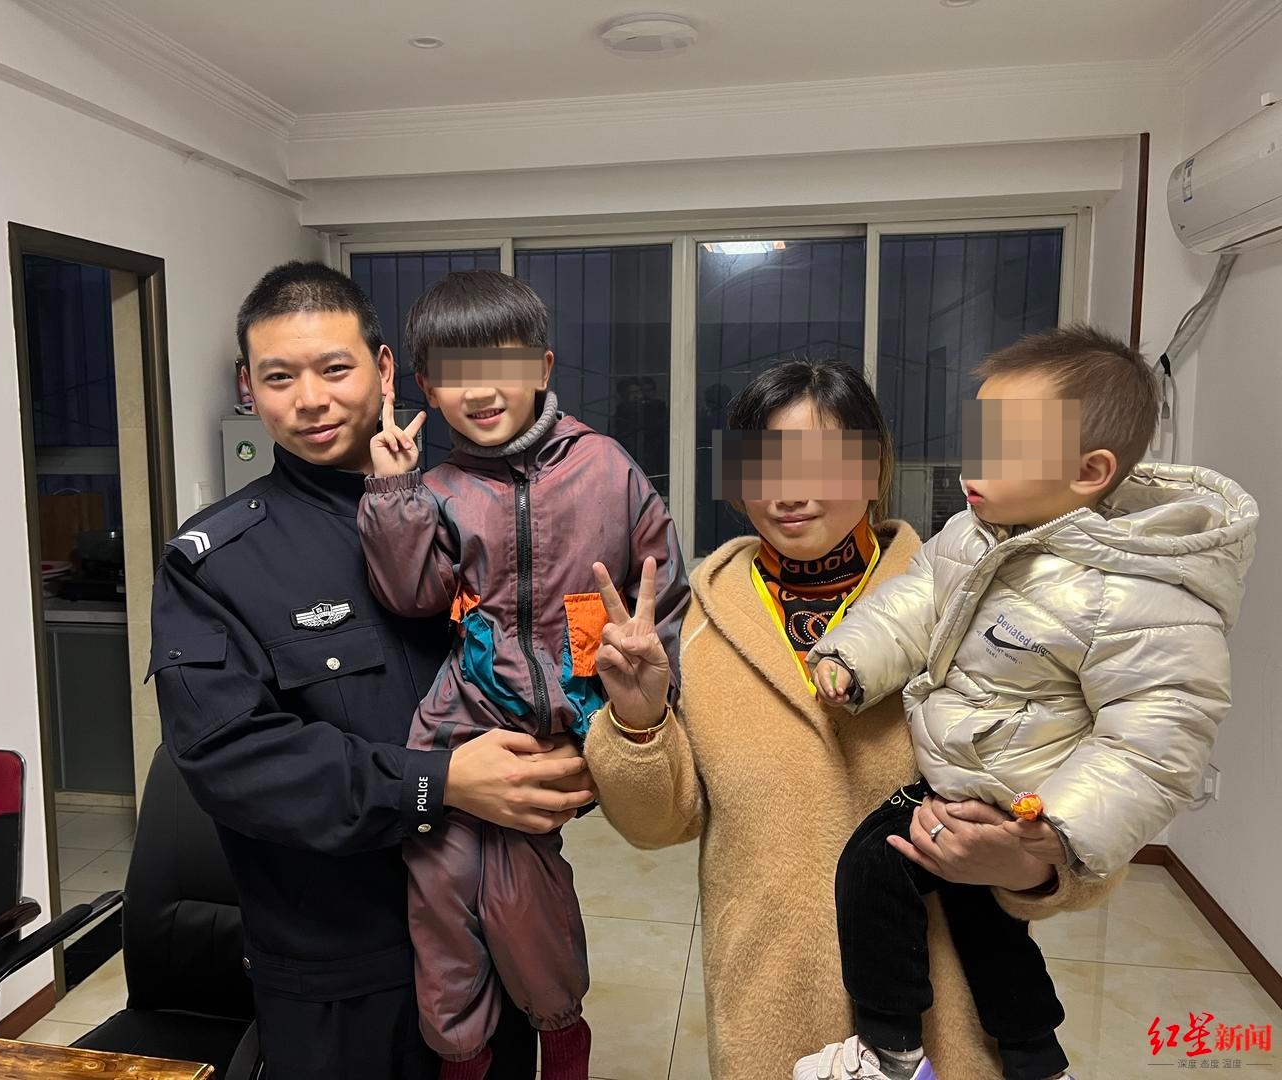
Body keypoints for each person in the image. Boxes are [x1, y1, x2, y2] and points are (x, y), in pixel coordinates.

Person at [584, 358, 1119, 1080]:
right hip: (770, 1010)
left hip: (948, 1026)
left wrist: (1032, 866)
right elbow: (660, 824)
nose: (789, 492)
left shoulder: (976, 604)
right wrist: (638, 716)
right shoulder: (705, 624)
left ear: (874, 469)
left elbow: (1100, 798)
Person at [148, 261, 596, 1079]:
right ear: (249, 386)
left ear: (384, 370)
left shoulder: (482, 511)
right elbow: (231, 759)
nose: (309, 400)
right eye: (279, 377)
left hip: (494, 935)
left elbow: (554, 654)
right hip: (342, 971)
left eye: (334, 368)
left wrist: (581, 750)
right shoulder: (217, 563)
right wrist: (438, 782)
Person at [801, 327, 1258, 1080]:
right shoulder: (973, 535)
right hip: (966, 774)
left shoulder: (1141, 591)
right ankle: (1038, 1059)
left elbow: (1154, 740)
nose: (972, 468)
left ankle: (887, 1051)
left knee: (874, 866)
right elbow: (914, 603)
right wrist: (851, 656)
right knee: (986, 925)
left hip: (1017, 800)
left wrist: (1056, 831)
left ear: (1089, 471)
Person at [357, 270, 689, 1080]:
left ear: (542, 367)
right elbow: (412, 594)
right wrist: (395, 491)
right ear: (427, 385)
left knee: (519, 893)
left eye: (500, 365)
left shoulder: (607, 468)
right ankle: (461, 1054)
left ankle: (561, 1032)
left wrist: (628, 707)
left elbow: (664, 598)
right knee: (440, 887)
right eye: (455, 373)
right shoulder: (438, 489)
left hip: (562, 725)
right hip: (463, 719)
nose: (480, 391)